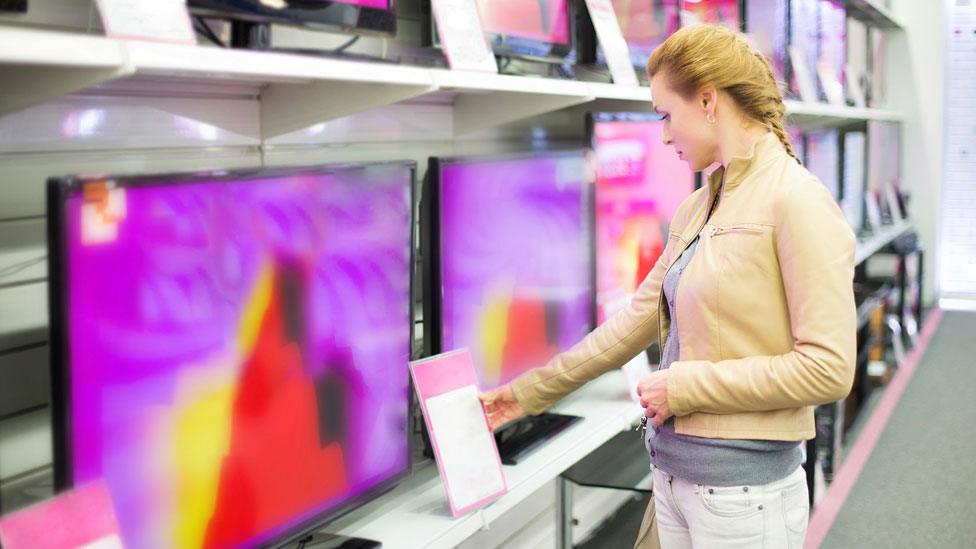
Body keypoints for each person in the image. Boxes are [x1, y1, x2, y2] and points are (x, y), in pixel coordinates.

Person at [480, 24, 856, 548]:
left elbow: (828, 369)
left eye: (664, 114)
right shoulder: (699, 207)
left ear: (707, 101)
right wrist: (523, 396)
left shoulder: (797, 201)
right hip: (676, 483)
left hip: (744, 499)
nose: (662, 134)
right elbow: (631, 325)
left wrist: (683, 385)